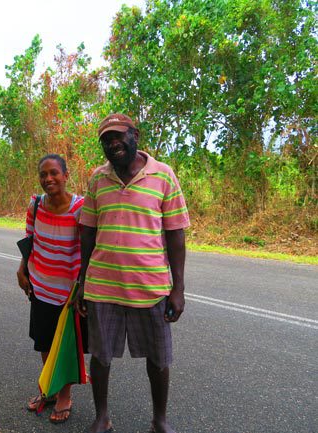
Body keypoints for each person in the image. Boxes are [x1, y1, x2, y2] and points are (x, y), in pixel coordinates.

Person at [72, 113, 190, 433]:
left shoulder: (163, 176)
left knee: (159, 359)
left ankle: (160, 421)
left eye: (118, 136)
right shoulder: (98, 179)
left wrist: (178, 289)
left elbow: (176, 233)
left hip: (149, 287)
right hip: (102, 287)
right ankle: (102, 417)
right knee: (100, 356)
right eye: (106, 140)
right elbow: (87, 233)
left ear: (134, 135)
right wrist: (82, 282)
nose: (113, 144)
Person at [16, 154, 85, 424]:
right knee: (44, 343)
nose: (48, 179)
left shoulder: (81, 207)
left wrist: (84, 286)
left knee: (64, 346)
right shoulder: (35, 205)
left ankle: (65, 395)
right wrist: (22, 269)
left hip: (69, 293)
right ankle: (50, 390)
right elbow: (29, 238)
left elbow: (89, 249)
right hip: (41, 287)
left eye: (54, 173)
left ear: (66, 175)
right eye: (43, 174)